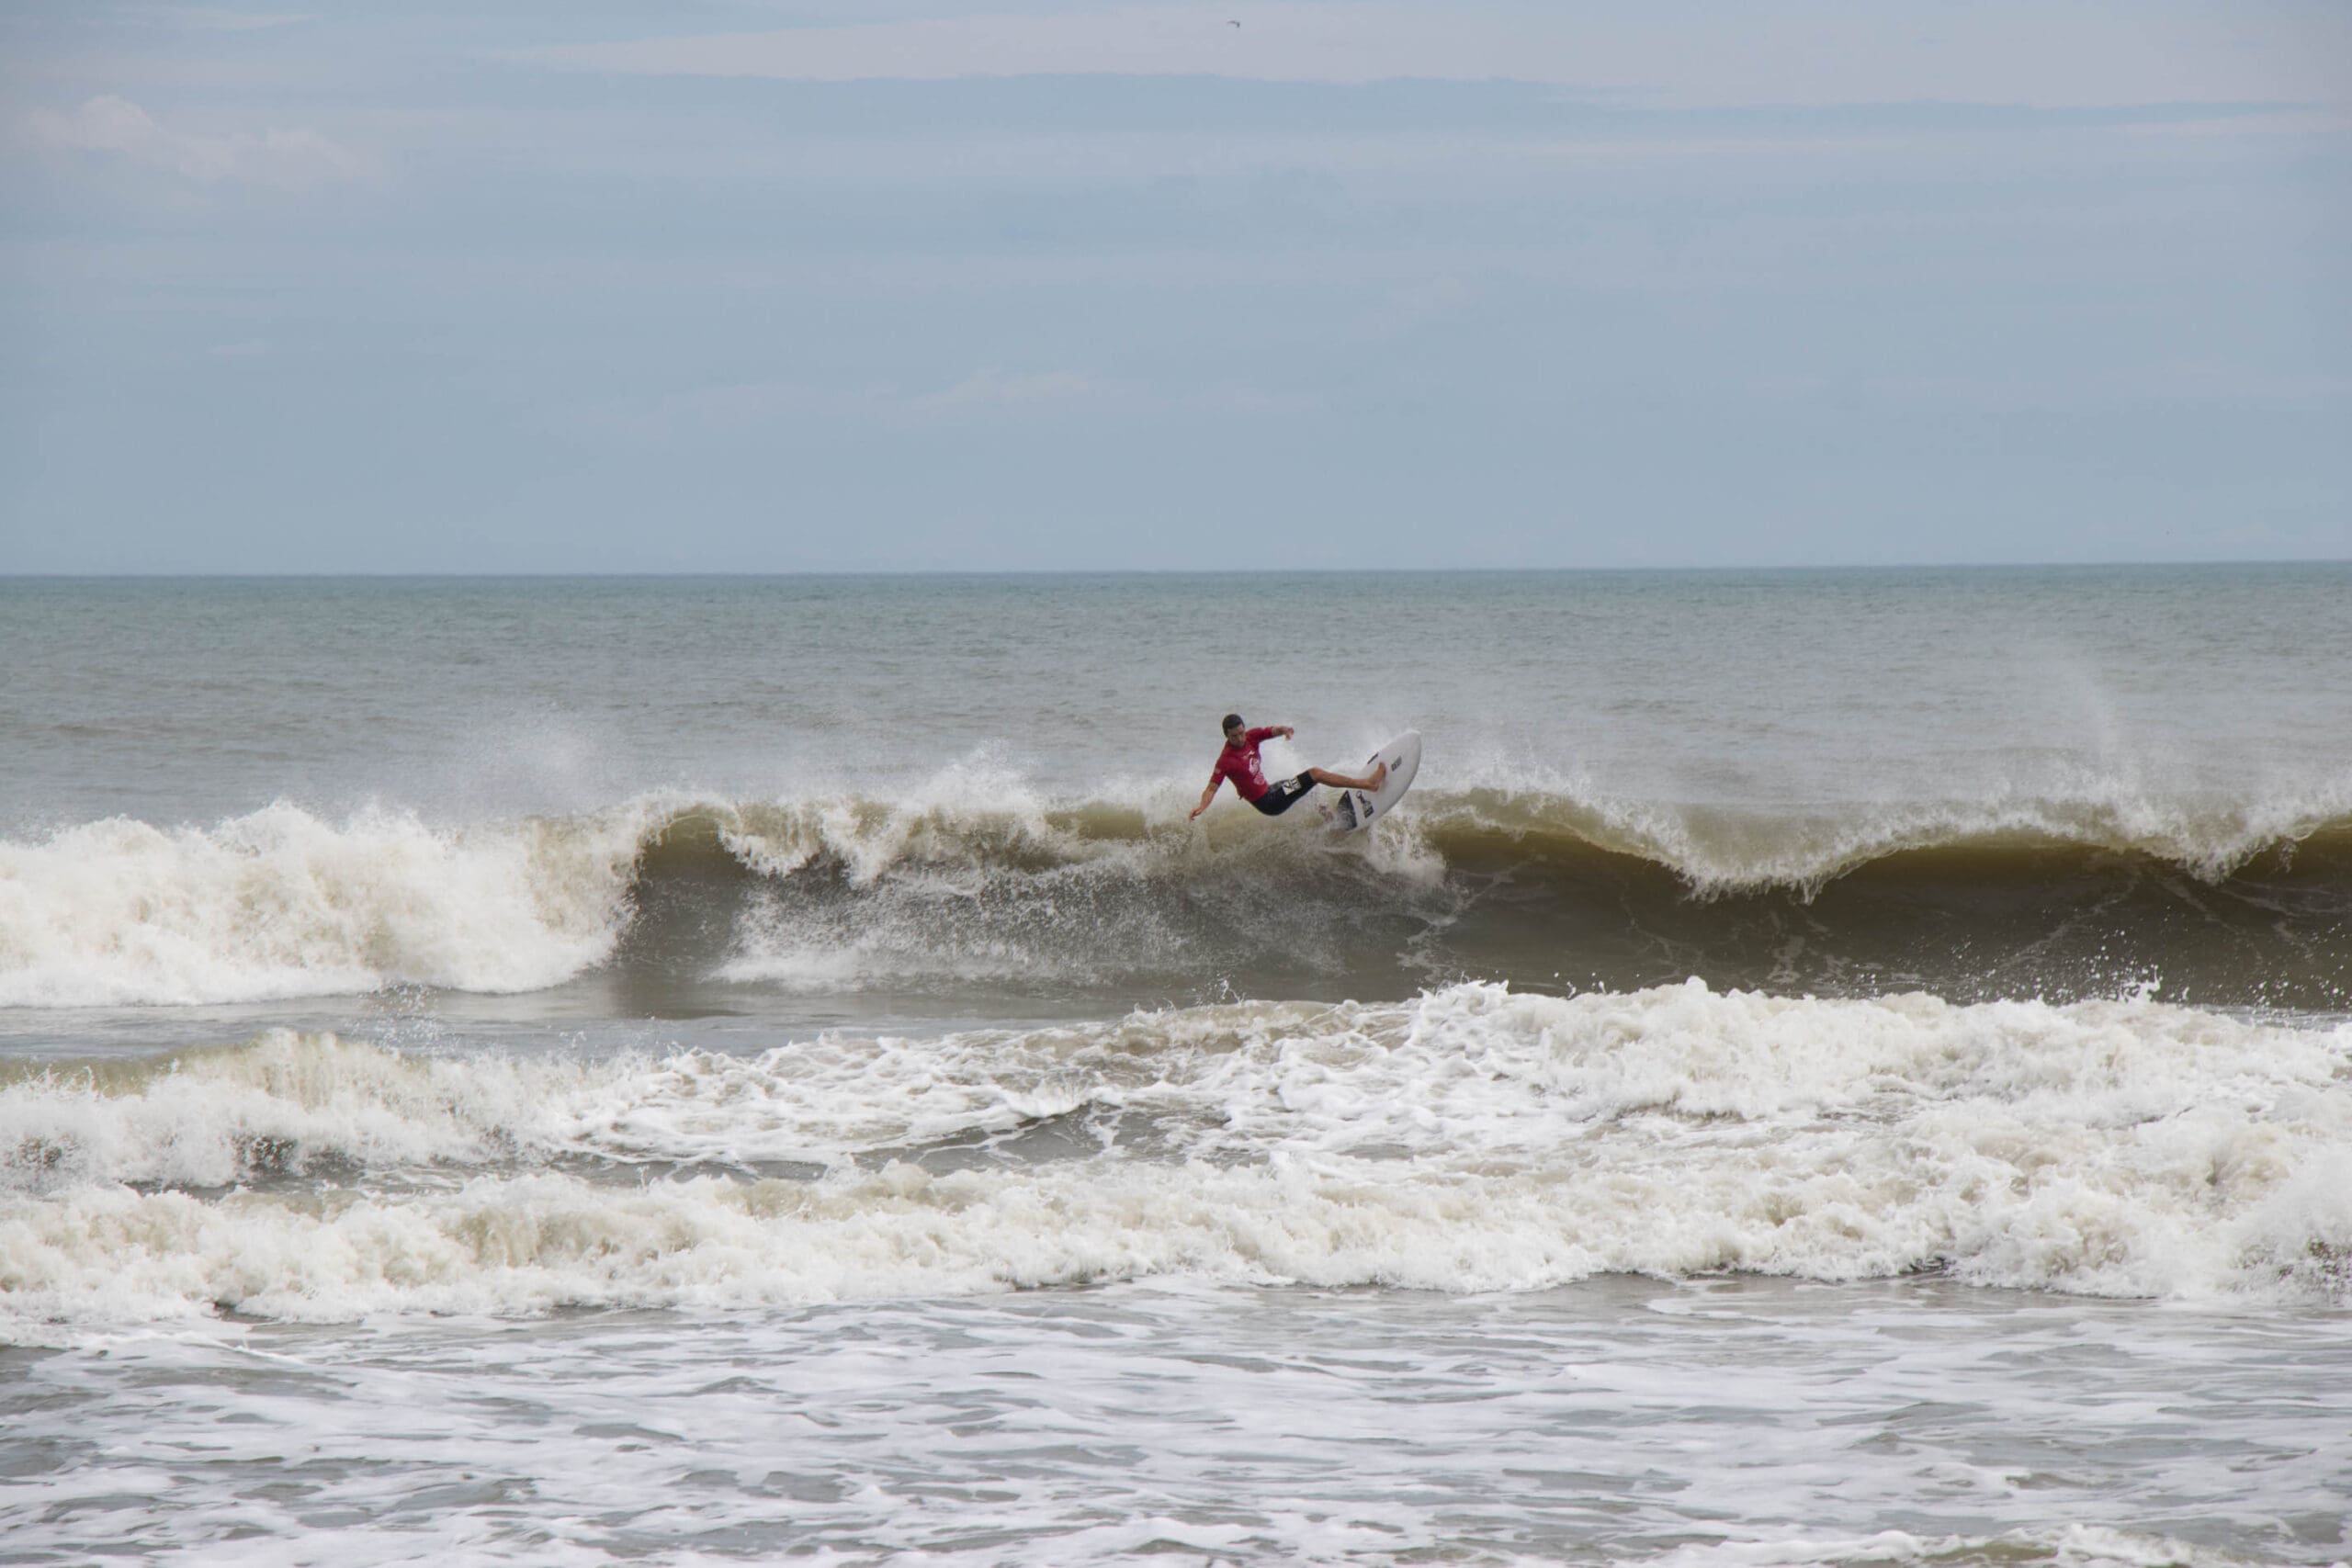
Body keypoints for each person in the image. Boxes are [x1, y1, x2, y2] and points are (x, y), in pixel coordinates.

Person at [1189, 713, 1386, 819]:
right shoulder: (1226, 760)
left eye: (1241, 732)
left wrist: (1285, 730)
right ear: (1226, 735)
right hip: (1269, 802)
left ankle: (1331, 820)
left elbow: (1271, 731)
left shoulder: (1251, 736)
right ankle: (1368, 784)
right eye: (1234, 736)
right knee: (1314, 774)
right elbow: (1211, 788)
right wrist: (1202, 806)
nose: (1240, 738)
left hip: (1272, 789)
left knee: (1310, 788)